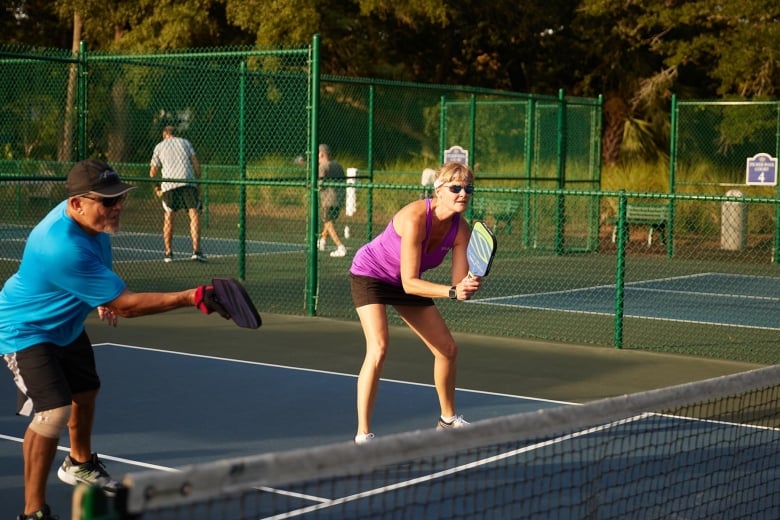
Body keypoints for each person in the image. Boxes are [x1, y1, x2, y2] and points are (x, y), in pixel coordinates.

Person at [0, 159, 230, 520]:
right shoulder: (60, 246)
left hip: (67, 324)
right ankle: (33, 512)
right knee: (52, 412)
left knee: (86, 391)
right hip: (26, 329)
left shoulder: (92, 221)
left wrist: (100, 295)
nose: (118, 205)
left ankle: (78, 463)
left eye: (119, 197)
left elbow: (106, 280)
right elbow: (127, 306)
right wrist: (189, 296)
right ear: (76, 204)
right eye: (107, 201)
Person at [349, 161, 482, 444]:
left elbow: (458, 286)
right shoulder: (415, 218)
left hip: (406, 281)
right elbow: (411, 283)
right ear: (438, 190)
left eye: (468, 188)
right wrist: (451, 292)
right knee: (379, 348)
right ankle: (363, 436)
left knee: (447, 349)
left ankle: (447, 420)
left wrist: (467, 285)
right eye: (456, 187)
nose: (463, 194)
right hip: (371, 274)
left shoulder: (461, 230)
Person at [149, 125, 205, 263]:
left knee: (169, 217)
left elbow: (152, 173)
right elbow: (196, 165)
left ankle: (168, 253)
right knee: (194, 215)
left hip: (169, 185)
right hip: (187, 183)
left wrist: (157, 188)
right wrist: (198, 183)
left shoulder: (159, 146)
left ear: (164, 134)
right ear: (176, 134)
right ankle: (196, 251)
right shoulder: (186, 143)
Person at [317, 144, 348, 257]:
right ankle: (322, 241)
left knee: (328, 223)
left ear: (322, 154)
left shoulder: (323, 167)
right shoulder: (338, 165)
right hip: (339, 199)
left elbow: (320, 184)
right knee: (329, 222)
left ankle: (340, 246)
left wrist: (312, 185)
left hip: (328, 200)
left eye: (318, 155)